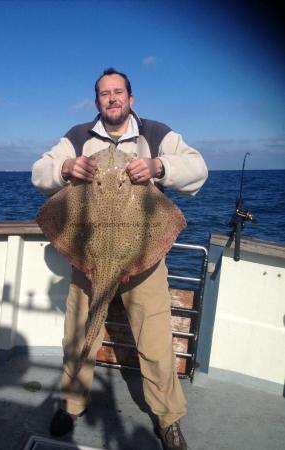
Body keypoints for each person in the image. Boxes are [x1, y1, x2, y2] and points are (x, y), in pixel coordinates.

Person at [31, 68, 208, 450]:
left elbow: (198, 169)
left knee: (156, 343)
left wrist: (161, 167)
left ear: (130, 98)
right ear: (97, 102)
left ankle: (168, 419)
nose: (112, 98)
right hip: (89, 255)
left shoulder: (157, 134)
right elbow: (39, 172)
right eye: (104, 94)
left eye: (118, 92)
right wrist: (64, 168)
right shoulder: (78, 137)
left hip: (143, 258)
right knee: (78, 337)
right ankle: (72, 404)